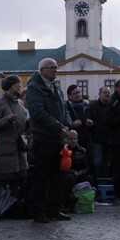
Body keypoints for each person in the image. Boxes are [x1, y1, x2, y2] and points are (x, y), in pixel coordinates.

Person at [26, 58, 72, 223]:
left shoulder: (56, 87)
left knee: (58, 176)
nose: (55, 70)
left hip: (58, 137)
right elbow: (38, 113)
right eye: (52, 68)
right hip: (43, 138)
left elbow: (64, 108)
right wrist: (59, 127)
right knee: (41, 176)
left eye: (56, 68)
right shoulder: (34, 87)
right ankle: (38, 211)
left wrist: (67, 124)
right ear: (43, 70)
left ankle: (54, 209)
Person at [0, 75, 29, 195]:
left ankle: (16, 207)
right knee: (5, 181)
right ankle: (2, 207)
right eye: (16, 84)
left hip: (19, 147)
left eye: (19, 83)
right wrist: (7, 119)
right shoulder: (0, 103)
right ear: (8, 86)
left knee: (19, 179)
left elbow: (24, 123)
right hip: (6, 148)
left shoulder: (19, 103)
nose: (19, 85)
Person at [60, 130, 95, 212]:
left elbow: (87, 167)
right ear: (67, 139)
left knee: (89, 179)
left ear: (77, 139)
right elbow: (62, 166)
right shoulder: (64, 150)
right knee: (69, 178)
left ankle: (86, 201)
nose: (72, 140)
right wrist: (73, 172)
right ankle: (66, 203)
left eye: (74, 138)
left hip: (80, 173)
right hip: (68, 173)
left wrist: (79, 173)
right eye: (70, 138)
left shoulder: (83, 150)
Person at [88, 86, 112, 181]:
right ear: (99, 94)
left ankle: (105, 182)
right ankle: (97, 184)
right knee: (97, 163)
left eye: (108, 92)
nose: (107, 94)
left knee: (107, 163)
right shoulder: (93, 106)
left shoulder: (112, 106)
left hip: (110, 140)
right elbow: (89, 120)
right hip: (97, 140)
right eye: (105, 92)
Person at [65, 84, 94, 156]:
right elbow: (64, 120)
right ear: (69, 95)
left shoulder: (86, 105)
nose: (78, 95)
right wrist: (72, 124)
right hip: (73, 139)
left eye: (78, 92)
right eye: (75, 93)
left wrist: (91, 123)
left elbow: (93, 118)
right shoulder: (66, 106)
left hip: (87, 138)